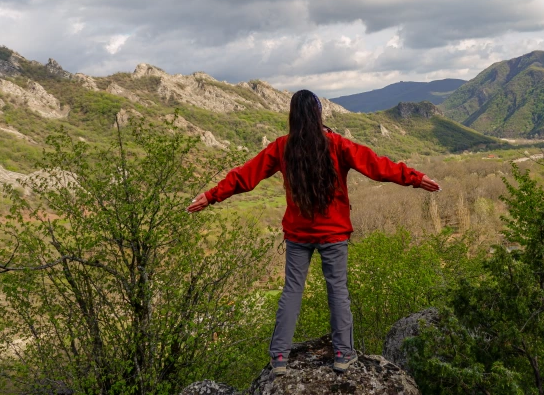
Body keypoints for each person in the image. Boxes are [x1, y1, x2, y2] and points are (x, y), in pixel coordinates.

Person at [187, 89, 440, 375]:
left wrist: (211, 196)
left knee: (292, 292)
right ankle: (343, 355)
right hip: (334, 234)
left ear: (293, 116)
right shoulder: (336, 144)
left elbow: (245, 175)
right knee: (338, 292)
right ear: (318, 113)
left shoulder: (282, 147)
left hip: (298, 235)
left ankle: (279, 358)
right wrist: (415, 179)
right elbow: (377, 166)